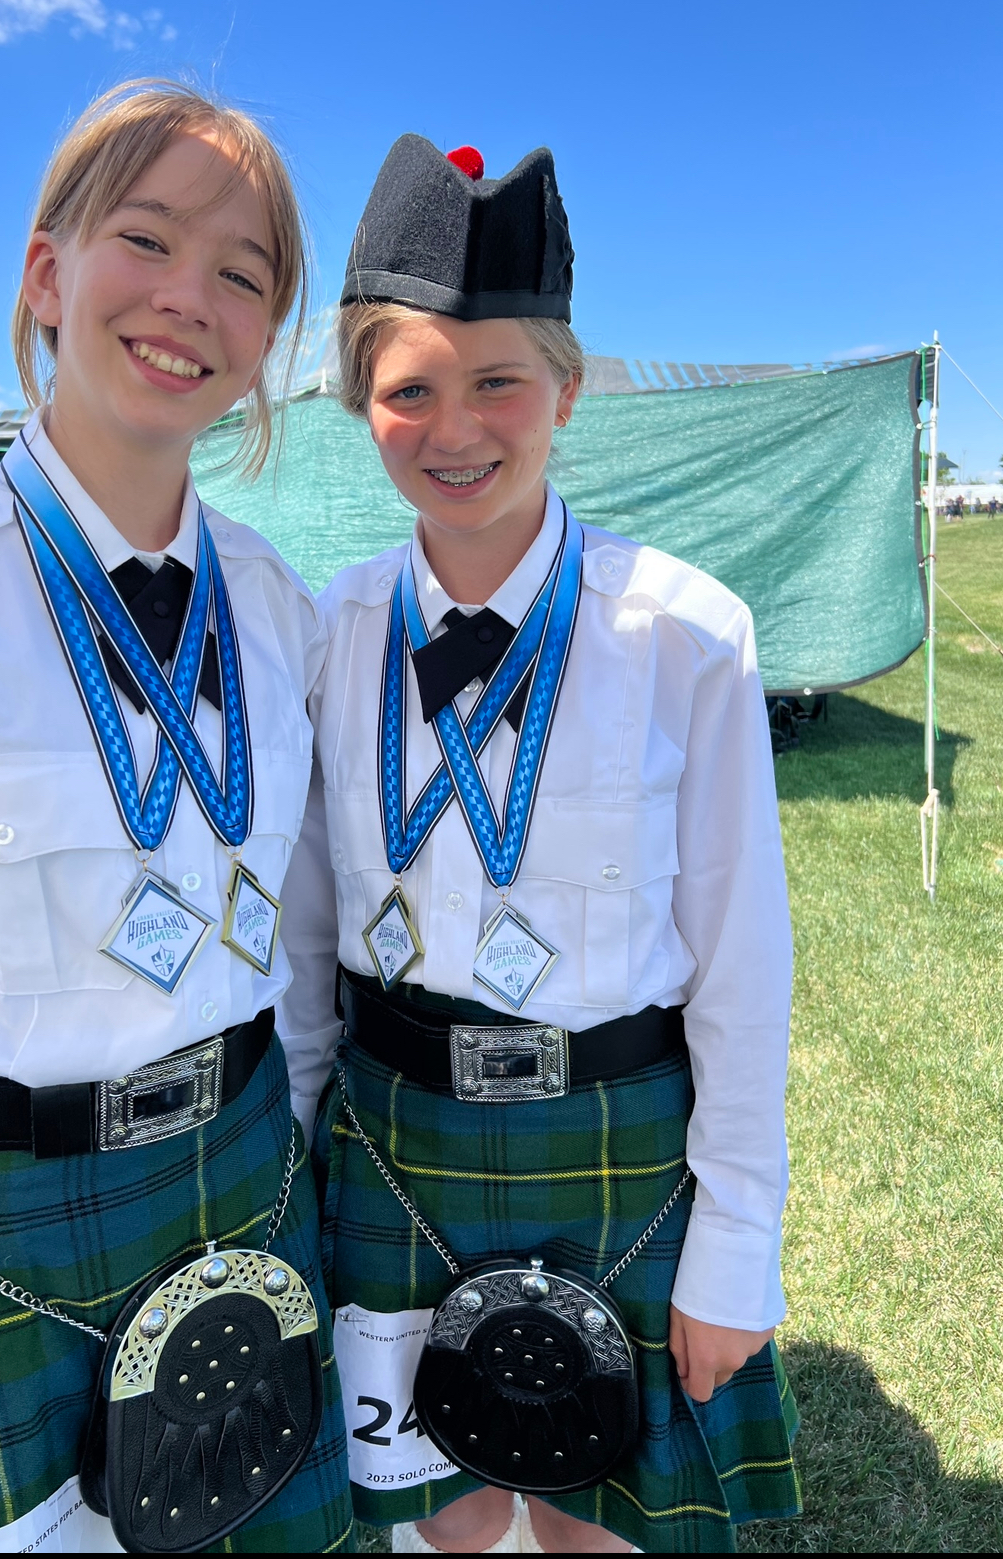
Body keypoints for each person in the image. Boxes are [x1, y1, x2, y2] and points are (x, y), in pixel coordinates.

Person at [0, 80, 352, 1553]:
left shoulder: (277, 609)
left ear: (266, 342)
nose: (190, 297)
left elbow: (301, 935)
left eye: (244, 275)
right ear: (48, 275)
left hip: (244, 1185)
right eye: (147, 238)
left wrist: (289, 1142)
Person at [279, 136, 800, 1553]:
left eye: (497, 378)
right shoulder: (327, 634)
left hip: (613, 1143)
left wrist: (734, 1243)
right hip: (393, 1142)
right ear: (359, 409)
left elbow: (744, 963)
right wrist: (292, 1162)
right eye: (409, 390)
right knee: (439, 1510)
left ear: (565, 389)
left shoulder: (680, 632)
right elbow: (307, 934)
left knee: (591, 1519)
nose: (456, 426)